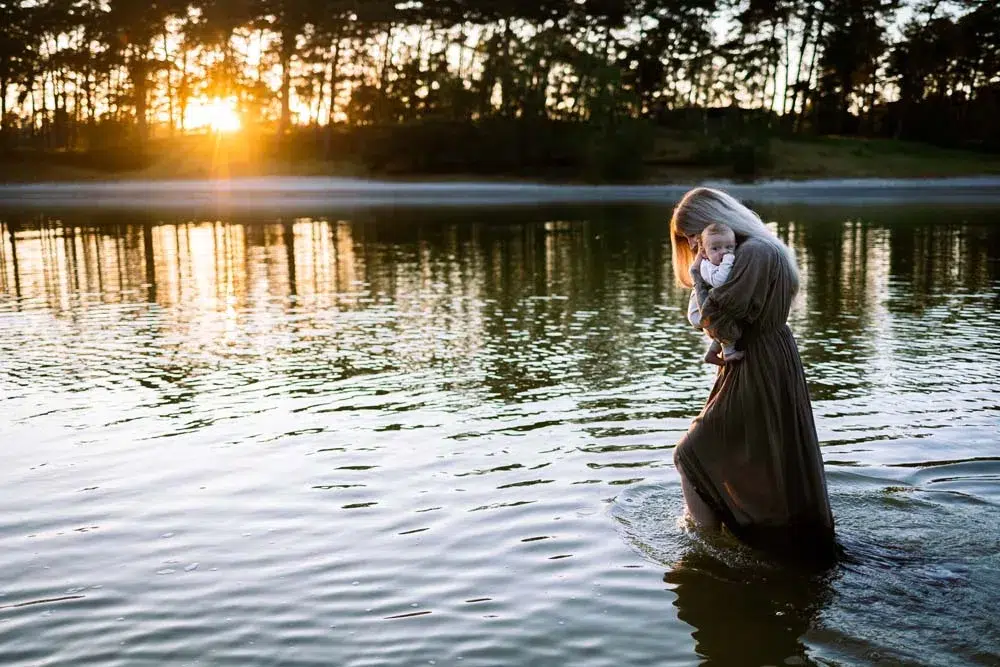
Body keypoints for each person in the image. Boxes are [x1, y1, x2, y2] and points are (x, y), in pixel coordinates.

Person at [670, 186, 837, 563]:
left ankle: (706, 552)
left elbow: (716, 317)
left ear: (713, 220)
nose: (694, 245)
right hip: (762, 355)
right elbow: (733, 318)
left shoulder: (753, 254)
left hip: (758, 360)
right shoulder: (755, 250)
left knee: (690, 454)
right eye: (688, 240)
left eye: (692, 234)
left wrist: (699, 278)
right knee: (764, 450)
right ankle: (741, 535)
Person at [686, 222, 743, 366]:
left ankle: (711, 354)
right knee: (726, 321)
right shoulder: (707, 266)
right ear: (704, 253)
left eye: (729, 247)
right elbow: (719, 282)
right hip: (698, 312)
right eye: (716, 248)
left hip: (706, 308)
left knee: (724, 321)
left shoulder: (716, 263)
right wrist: (728, 260)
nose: (723, 252)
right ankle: (728, 353)